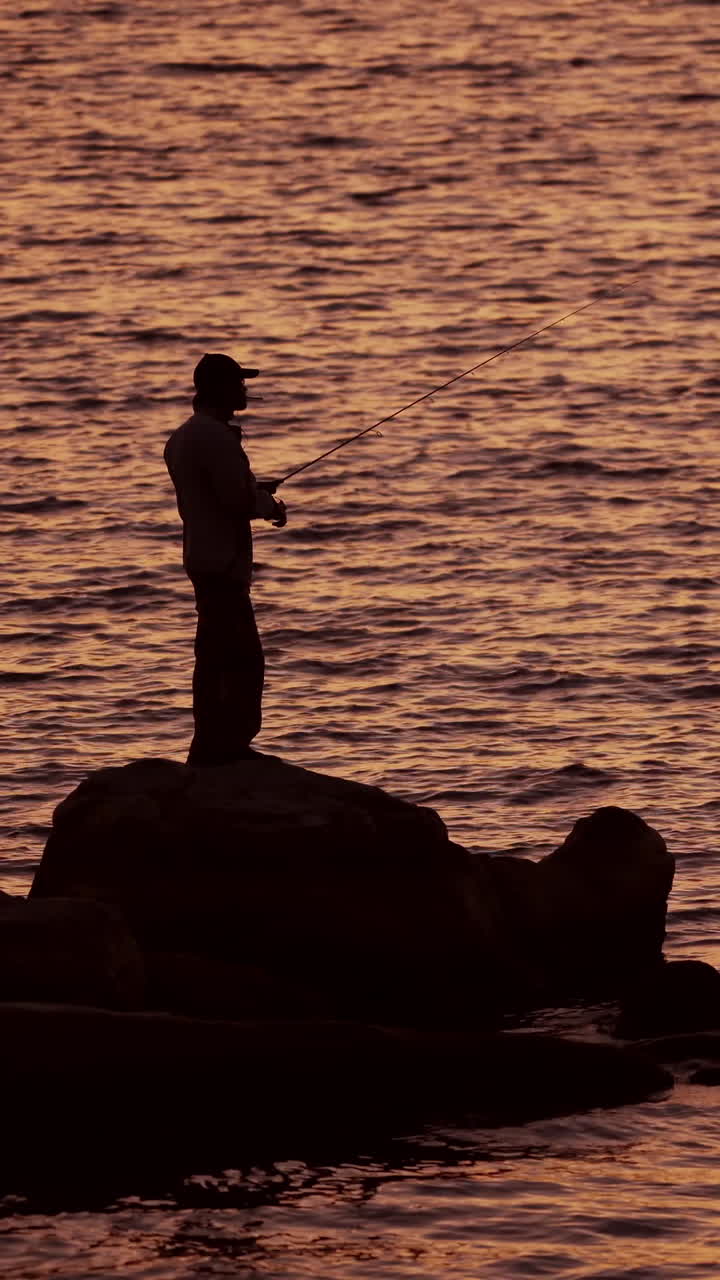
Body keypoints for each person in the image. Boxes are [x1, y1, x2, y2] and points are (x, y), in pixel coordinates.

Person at [164, 353, 287, 765]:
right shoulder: (215, 437)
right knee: (242, 659)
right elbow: (235, 500)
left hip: (203, 557)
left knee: (214, 655)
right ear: (218, 389)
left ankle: (210, 743)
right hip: (221, 563)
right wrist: (269, 504)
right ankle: (228, 747)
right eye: (237, 382)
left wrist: (253, 487)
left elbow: (213, 490)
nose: (244, 389)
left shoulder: (184, 436)